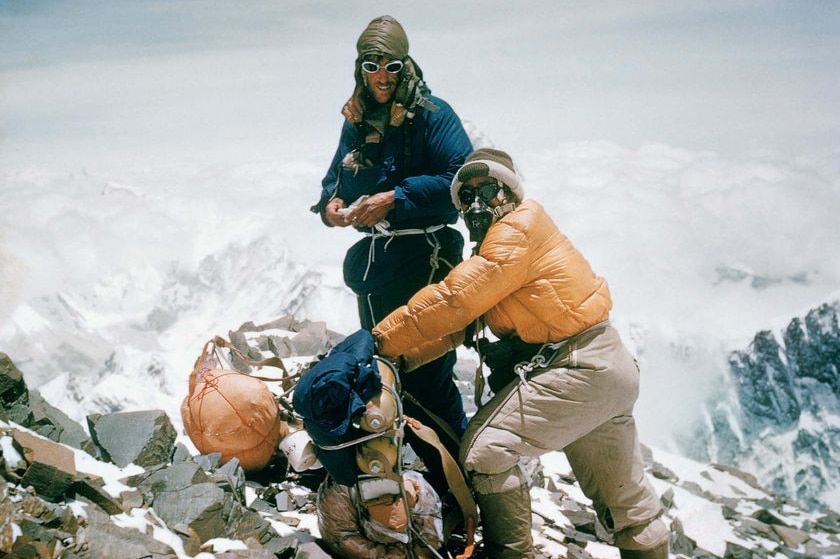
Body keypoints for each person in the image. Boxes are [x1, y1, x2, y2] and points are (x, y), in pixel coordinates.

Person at [373, 148, 670, 559]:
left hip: (578, 368)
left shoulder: (516, 232)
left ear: (511, 193)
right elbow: (461, 324)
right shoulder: (506, 246)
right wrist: (401, 358)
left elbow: (454, 301)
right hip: (606, 370)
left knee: (485, 451)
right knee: (627, 502)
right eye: (468, 196)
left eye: (489, 190)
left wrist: (377, 342)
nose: (478, 203)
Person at [311, 15, 472, 482]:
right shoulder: (356, 119)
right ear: (360, 68)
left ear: (408, 66)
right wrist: (332, 208)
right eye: (371, 65)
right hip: (379, 270)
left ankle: (461, 484)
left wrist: (395, 198)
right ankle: (425, 483)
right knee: (386, 370)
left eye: (392, 66)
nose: (381, 76)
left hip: (426, 262)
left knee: (428, 377)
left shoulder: (434, 115)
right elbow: (332, 184)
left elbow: (459, 179)